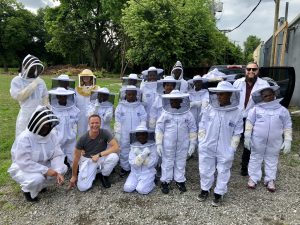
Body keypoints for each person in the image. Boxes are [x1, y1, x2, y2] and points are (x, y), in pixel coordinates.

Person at [197, 81, 243, 207]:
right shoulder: (210, 107)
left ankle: (219, 192)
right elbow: (202, 125)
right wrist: (201, 141)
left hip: (225, 146)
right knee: (205, 168)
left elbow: (238, 132)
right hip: (207, 144)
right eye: (217, 94)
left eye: (221, 94)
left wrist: (232, 148)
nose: (218, 96)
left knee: (224, 169)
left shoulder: (237, 112)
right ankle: (205, 189)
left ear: (229, 95)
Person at [7, 106, 67, 202]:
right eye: (43, 125)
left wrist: (57, 171)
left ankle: (41, 186)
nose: (46, 128)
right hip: (26, 168)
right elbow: (24, 162)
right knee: (37, 179)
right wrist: (46, 170)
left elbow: (57, 154)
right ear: (36, 123)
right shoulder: (25, 138)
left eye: (48, 125)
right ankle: (27, 190)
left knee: (63, 168)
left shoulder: (52, 136)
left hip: (44, 165)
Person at [245, 86, 292, 192]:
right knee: (255, 157)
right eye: (265, 95)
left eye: (270, 94)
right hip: (258, 139)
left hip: (275, 140)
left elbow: (287, 125)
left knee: (272, 159)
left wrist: (288, 140)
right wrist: (247, 136)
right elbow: (249, 122)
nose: (268, 97)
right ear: (262, 97)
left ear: (274, 94)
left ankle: (270, 180)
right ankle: (253, 178)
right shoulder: (256, 109)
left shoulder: (282, 110)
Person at [155, 90, 197, 194]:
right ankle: (165, 181)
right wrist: (159, 143)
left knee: (181, 161)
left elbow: (193, 129)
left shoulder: (188, 114)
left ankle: (180, 180)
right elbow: (159, 128)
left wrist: (192, 143)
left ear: (181, 100)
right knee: (167, 161)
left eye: (176, 100)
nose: (174, 102)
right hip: (168, 143)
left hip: (183, 143)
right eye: (172, 100)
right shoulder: (165, 113)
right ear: (169, 101)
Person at [233, 62, 270, 176]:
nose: (251, 71)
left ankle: (245, 166)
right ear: (245, 70)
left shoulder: (264, 84)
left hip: (253, 118)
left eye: (254, 69)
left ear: (258, 71)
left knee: (249, 143)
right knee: (232, 140)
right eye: (249, 69)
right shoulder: (237, 83)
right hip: (237, 117)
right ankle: (225, 162)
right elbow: (232, 99)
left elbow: (267, 102)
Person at [68, 114, 119, 191]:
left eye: (97, 123)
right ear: (89, 124)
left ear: (100, 123)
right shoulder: (82, 138)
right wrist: (74, 176)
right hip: (89, 160)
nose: (94, 125)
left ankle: (104, 175)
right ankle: (95, 171)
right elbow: (76, 158)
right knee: (82, 188)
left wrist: (99, 155)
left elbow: (116, 147)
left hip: (100, 157)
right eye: (92, 123)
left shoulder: (105, 132)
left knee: (114, 157)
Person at [10, 54, 48, 137]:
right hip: (25, 114)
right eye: (32, 67)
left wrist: (47, 112)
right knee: (23, 137)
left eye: (35, 67)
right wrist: (33, 85)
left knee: (38, 137)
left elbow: (45, 97)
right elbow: (19, 96)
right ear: (25, 67)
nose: (34, 69)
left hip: (39, 114)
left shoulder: (40, 81)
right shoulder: (17, 80)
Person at [114, 85, 147, 177]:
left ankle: (136, 167)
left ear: (136, 95)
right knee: (124, 149)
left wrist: (142, 128)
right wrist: (118, 132)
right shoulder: (120, 106)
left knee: (137, 149)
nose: (131, 96)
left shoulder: (140, 106)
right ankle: (125, 168)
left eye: (133, 94)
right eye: (129, 94)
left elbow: (144, 118)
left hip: (137, 133)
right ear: (126, 95)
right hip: (124, 132)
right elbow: (117, 120)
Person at [123, 124, 158, 194]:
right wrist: (143, 155)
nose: (141, 136)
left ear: (147, 135)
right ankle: (141, 182)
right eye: (139, 135)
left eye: (143, 134)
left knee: (141, 190)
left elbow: (152, 163)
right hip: (135, 172)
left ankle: (152, 182)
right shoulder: (134, 146)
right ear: (136, 136)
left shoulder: (153, 146)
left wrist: (139, 159)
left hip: (147, 172)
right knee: (127, 188)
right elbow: (133, 163)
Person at [48, 87, 80, 165]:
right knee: (56, 159)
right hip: (57, 139)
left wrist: (74, 131)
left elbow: (76, 121)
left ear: (67, 96)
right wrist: (55, 134)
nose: (62, 98)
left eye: (64, 96)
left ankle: (74, 171)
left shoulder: (73, 109)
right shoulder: (52, 109)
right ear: (57, 97)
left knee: (75, 159)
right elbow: (49, 124)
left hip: (71, 138)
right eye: (60, 96)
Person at [75, 69, 99, 137]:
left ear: (91, 77)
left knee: (91, 131)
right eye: (84, 76)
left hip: (92, 113)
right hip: (81, 114)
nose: (85, 78)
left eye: (87, 76)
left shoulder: (97, 88)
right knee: (81, 132)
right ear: (81, 77)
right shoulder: (77, 89)